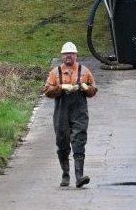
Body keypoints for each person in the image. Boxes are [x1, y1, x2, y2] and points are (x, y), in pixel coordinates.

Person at [42, 42, 98, 188]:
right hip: (61, 112)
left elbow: (93, 91)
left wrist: (87, 88)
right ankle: (65, 174)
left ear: (76, 55)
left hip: (80, 111)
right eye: (66, 54)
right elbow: (47, 91)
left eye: (71, 54)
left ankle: (79, 176)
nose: (68, 56)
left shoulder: (85, 71)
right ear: (62, 56)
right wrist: (61, 87)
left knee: (79, 140)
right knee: (62, 143)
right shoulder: (55, 73)